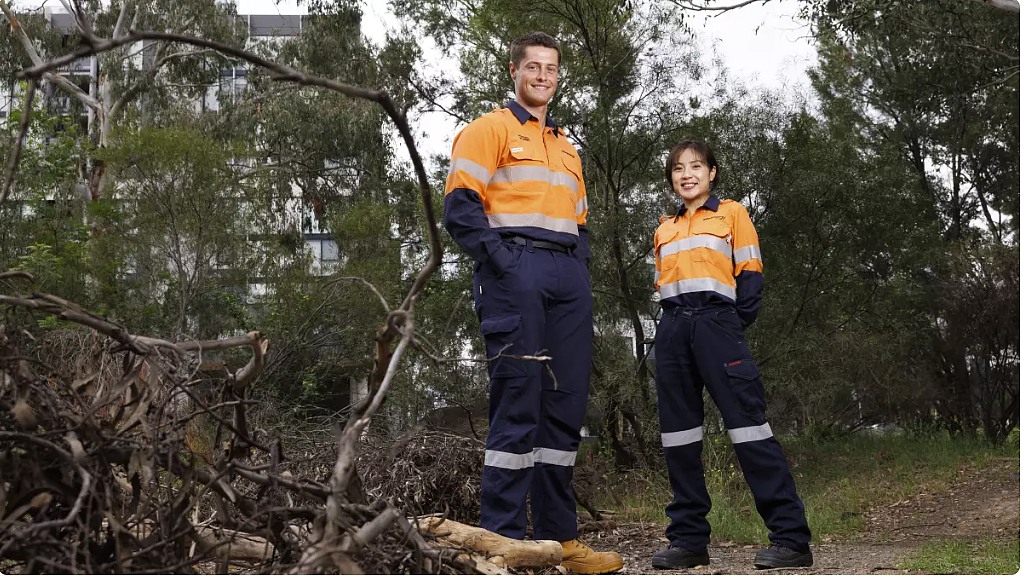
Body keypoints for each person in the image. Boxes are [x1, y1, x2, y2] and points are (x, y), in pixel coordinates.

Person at [442, 31, 623, 575]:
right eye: (533, 67)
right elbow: (459, 207)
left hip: (568, 276)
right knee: (518, 405)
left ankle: (557, 541)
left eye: (551, 68)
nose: (543, 75)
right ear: (515, 72)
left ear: (558, 77)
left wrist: (579, 270)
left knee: (564, 408)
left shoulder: (568, 148)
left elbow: (582, 222)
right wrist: (504, 264)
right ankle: (499, 542)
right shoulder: (488, 130)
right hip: (514, 271)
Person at [649, 140, 813, 570]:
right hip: (671, 332)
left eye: (696, 167)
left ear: (712, 173)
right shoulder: (664, 228)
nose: (687, 174)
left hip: (718, 326)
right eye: (679, 169)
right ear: (672, 178)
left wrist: (728, 327)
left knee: (750, 432)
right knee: (679, 441)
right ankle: (688, 541)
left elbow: (751, 276)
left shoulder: (732, 214)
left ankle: (792, 539)